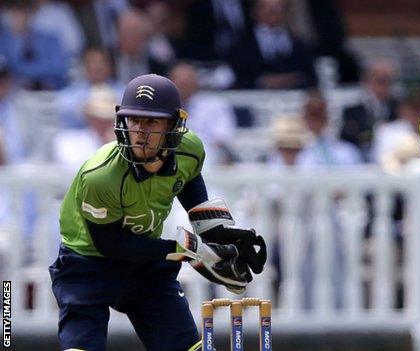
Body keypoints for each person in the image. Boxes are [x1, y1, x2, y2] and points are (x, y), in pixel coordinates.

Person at [49, 74, 267, 351]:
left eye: (151, 121)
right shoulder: (100, 175)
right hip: (87, 262)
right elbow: (111, 244)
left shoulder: (190, 149)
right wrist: (189, 250)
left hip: (145, 265)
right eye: (134, 119)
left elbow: (187, 178)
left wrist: (212, 229)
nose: (140, 130)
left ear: (173, 125)